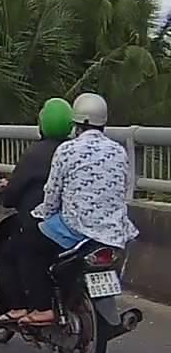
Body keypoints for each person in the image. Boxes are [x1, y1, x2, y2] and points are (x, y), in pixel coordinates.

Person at [8, 92, 139, 326]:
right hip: (116, 232)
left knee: (28, 243)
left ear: (75, 123)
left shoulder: (67, 150)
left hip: (77, 229)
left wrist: (41, 215)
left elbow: (52, 194)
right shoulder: (118, 150)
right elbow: (125, 187)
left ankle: (42, 308)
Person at [0, 97, 73, 325]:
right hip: (77, 225)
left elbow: (12, 194)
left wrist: (1, 192)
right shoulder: (74, 150)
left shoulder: (35, 154)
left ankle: (21, 306)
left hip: (45, 224)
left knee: (13, 249)